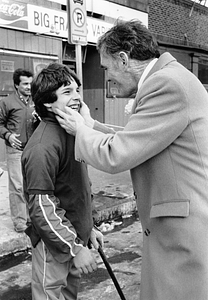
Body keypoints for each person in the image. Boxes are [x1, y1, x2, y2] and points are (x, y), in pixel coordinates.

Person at [54, 20, 208, 300]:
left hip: (182, 232)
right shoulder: (170, 77)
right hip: (177, 225)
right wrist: (92, 126)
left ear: (123, 59)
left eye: (106, 68)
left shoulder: (166, 84)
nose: (107, 77)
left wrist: (80, 130)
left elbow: (117, 155)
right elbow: (141, 138)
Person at [21, 63, 103, 300]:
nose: (77, 97)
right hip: (54, 244)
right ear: (48, 101)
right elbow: (41, 207)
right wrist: (73, 247)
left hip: (75, 236)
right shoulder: (42, 146)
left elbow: (78, 187)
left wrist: (90, 227)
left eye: (77, 90)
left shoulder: (71, 131)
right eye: (67, 92)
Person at [0, 68, 39, 232]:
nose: (29, 87)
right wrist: (8, 135)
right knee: (17, 186)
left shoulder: (36, 101)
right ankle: (20, 222)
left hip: (33, 150)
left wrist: (38, 119)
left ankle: (32, 218)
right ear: (16, 85)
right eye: (25, 84)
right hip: (16, 150)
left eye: (31, 83)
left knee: (32, 185)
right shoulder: (7, 102)